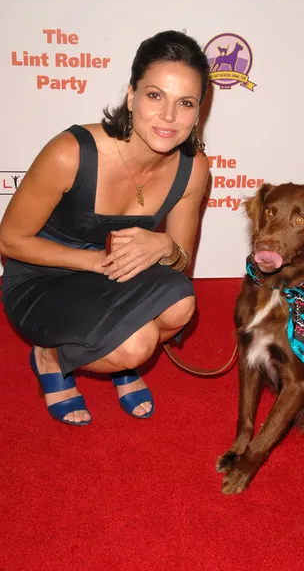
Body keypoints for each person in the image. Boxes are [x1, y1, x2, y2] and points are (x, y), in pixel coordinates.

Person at [0, 30, 210, 426]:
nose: (168, 117)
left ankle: (111, 346)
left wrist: (164, 245)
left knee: (182, 303)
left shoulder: (193, 168)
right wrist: (95, 261)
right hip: (44, 277)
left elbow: (181, 261)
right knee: (137, 345)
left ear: (199, 111)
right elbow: (9, 240)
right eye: (155, 96)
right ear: (131, 96)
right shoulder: (72, 152)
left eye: (185, 103)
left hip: (117, 273)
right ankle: (49, 356)